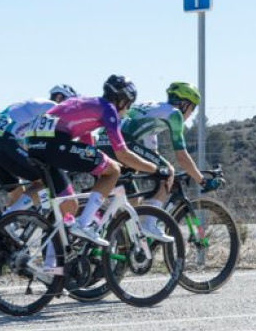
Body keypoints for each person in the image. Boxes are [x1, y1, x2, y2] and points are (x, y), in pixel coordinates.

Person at [25, 75, 170, 246]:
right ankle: (84, 223)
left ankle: (55, 263)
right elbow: (122, 152)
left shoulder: (84, 104)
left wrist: (111, 167)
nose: (126, 109)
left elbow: (88, 147)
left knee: (68, 207)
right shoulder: (108, 109)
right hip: (54, 144)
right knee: (113, 170)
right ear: (122, 100)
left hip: (34, 145)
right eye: (129, 104)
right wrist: (155, 169)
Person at [97, 81, 219, 239]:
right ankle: (150, 223)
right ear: (184, 104)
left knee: (134, 200)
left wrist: (155, 168)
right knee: (168, 172)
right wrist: (202, 180)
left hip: (103, 141)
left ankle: (120, 241)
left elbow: (152, 149)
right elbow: (181, 157)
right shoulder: (174, 114)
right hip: (122, 144)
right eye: (193, 107)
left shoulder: (155, 109)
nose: (192, 113)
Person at [0, 85, 78, 214]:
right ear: (59, 97)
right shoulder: (52, 107)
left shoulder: (33, 106)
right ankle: (6, 218)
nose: (69, 109)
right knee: (46, 179)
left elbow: (31, 145)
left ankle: (6, 227)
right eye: (69, 103)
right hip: (3, 140)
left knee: (17, 192)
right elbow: (57, 144)